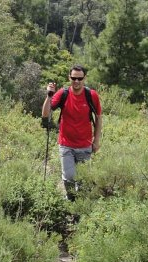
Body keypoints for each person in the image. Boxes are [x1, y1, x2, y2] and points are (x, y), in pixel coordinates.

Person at [41, 65, 102, 201]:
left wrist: (96, 140)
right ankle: (70, 200)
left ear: (84, 78)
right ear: (69, 78)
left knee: (82, 180)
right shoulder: (63, 93)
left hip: (85, 145)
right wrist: (49, 96)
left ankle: (79, 207)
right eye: (74, 78)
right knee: (69, 177)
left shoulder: (91, 95)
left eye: (79, 78)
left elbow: (98, 118)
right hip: (66, 144)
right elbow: (45, 114)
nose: (76, 81)